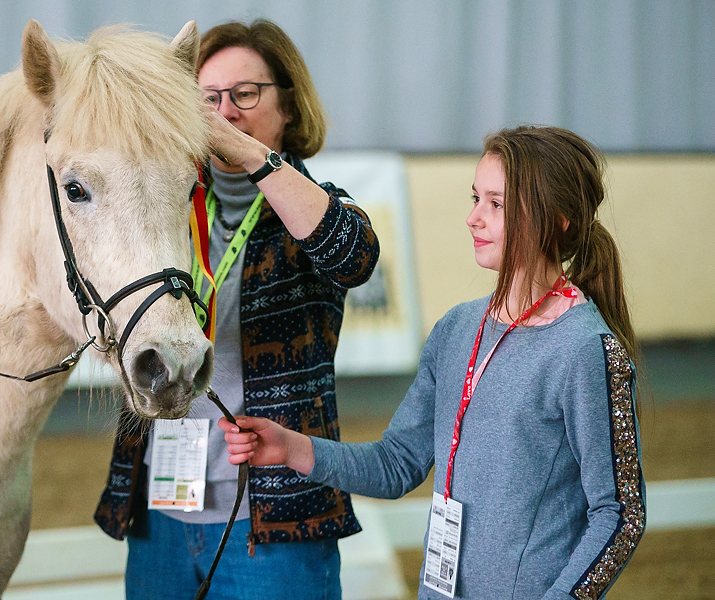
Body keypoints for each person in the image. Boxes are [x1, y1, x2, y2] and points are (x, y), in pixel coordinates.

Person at [220, 125, 645, 600]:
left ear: (558, 218)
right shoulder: (456, 329)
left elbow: (621, 514)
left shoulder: (586, 349)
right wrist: (291, 447)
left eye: (496, 204)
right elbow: (397, 464)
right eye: (475, 198)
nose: (473, 218)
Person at [94, 18, 380, 600]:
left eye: (245, 95)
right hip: (161, 515)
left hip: (274, 520)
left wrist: (250, 155)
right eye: (207, 99)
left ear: (290, 107)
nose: (225, 112)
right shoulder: (163, 210)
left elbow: (354, 258)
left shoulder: (313, 209)